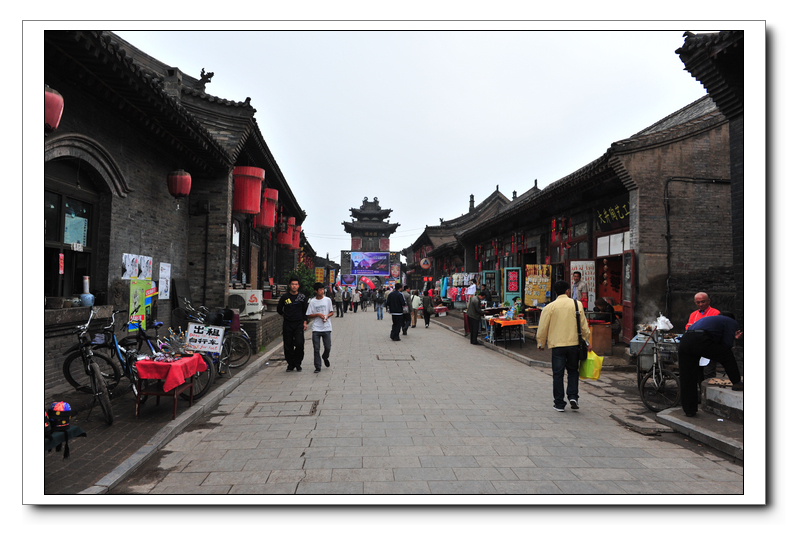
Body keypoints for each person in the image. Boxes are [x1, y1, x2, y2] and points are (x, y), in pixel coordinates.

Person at [536, 280, 591, 412]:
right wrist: (587, 340)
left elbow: (542, 327)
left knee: (558, 374)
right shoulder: (577, 304)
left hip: (557, 345)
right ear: (567, 291)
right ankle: (573, 397)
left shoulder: (549, 307)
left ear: (555, 292)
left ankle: (559, 403)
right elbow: (584, 326)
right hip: (574, 344)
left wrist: (541, 343)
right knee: (573, 371)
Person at [678, 311, 743, 417]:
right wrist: (733, 338)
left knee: (687, 376)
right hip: (701, 339)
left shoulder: (710, 320)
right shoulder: (731, 321)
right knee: (727, 355)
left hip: (685, 340)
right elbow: (726, 344)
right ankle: (736, 382)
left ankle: (689, 410)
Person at [276, 276, 309, 372]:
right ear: (289, 285)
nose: (294, 286)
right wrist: (285, 315)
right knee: (288, 345)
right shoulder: (285, 297)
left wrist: (305, 322)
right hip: (288, 323)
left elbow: (305, 311)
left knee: (299, 344)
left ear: (298, 286)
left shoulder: (302, 297)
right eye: (292, 284)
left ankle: (298, 363)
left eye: (296, 284)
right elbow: (279, 309)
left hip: (299, 323)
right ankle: (290, 364)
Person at [686, 292, 721, 379]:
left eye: (703, 302)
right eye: (698, 302)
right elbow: (688, 328)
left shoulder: (715, 313)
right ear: (695, 302)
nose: (701, 304)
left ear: (709, 301)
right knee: (698, 372)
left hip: (709, 347)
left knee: (709, 373)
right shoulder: (693, 314)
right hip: (696, 348)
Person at [306, 282, 333, 373]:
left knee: (328, 347)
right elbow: (309, 315)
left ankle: (325, 357)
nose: (322, 291)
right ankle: (317, 366)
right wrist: (317, 314)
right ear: (316, 291)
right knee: (316, 348)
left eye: (323, 289)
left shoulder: (328, 300)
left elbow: (331, 312)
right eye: (320, 290)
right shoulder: (312, 301)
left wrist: (327, 316)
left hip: (326, 327)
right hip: (316, 328)